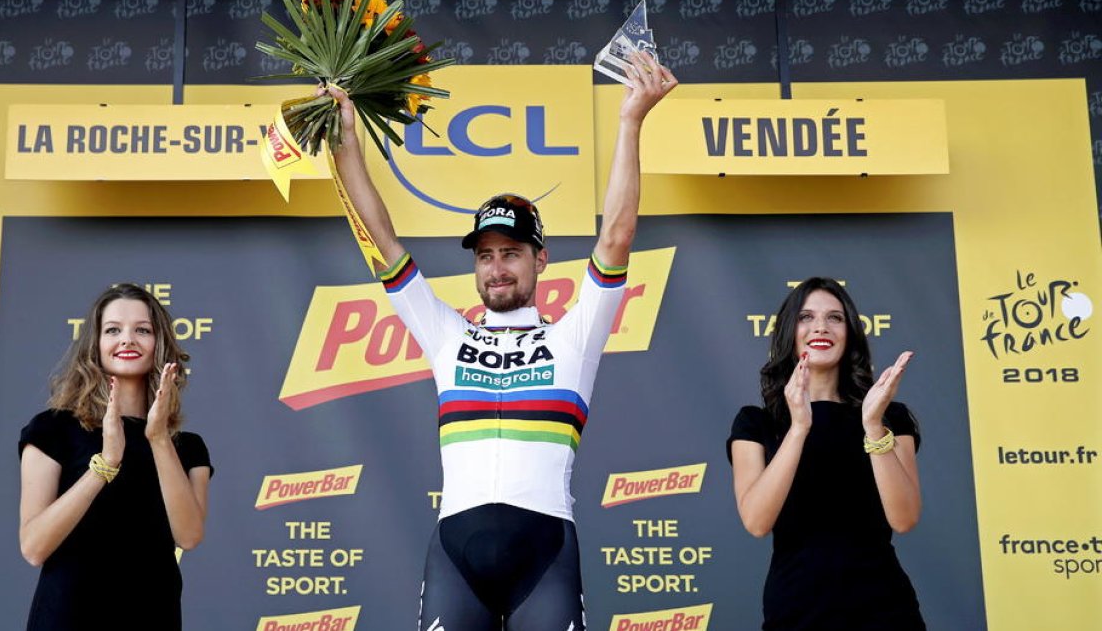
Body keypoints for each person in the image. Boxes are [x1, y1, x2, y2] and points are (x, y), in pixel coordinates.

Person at [326, 51, 676, 628]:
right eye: (485, 256)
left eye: (510, 253)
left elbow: (616, 235)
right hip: (455, 557)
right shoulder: (445, 334)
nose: (496, 268)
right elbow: (379, 238)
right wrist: (344, 138)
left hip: (546, 555)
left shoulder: (575, 338)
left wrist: (630, 120)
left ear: (540, 259)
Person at [727, 277, 925, 630]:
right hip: (796, 613)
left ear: (849, 333)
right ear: (790, 331)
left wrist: (873, 425)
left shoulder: (888, 416)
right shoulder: (756, 423)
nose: (821, 326)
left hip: (885, 613)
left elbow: (904, 518)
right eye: (806, 317)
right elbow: (757, 521)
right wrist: (800, 426)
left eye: (835, 317)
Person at [17, 283, 212, 631]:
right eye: (113, 330)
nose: (127, 340)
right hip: (67, 618)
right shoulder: (53, 429)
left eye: (142, 330)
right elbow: (34, 547)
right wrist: (105, 465)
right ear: (96, 345)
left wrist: (158, 439)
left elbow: (189, 536)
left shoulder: (187, 446)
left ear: (159, 344)